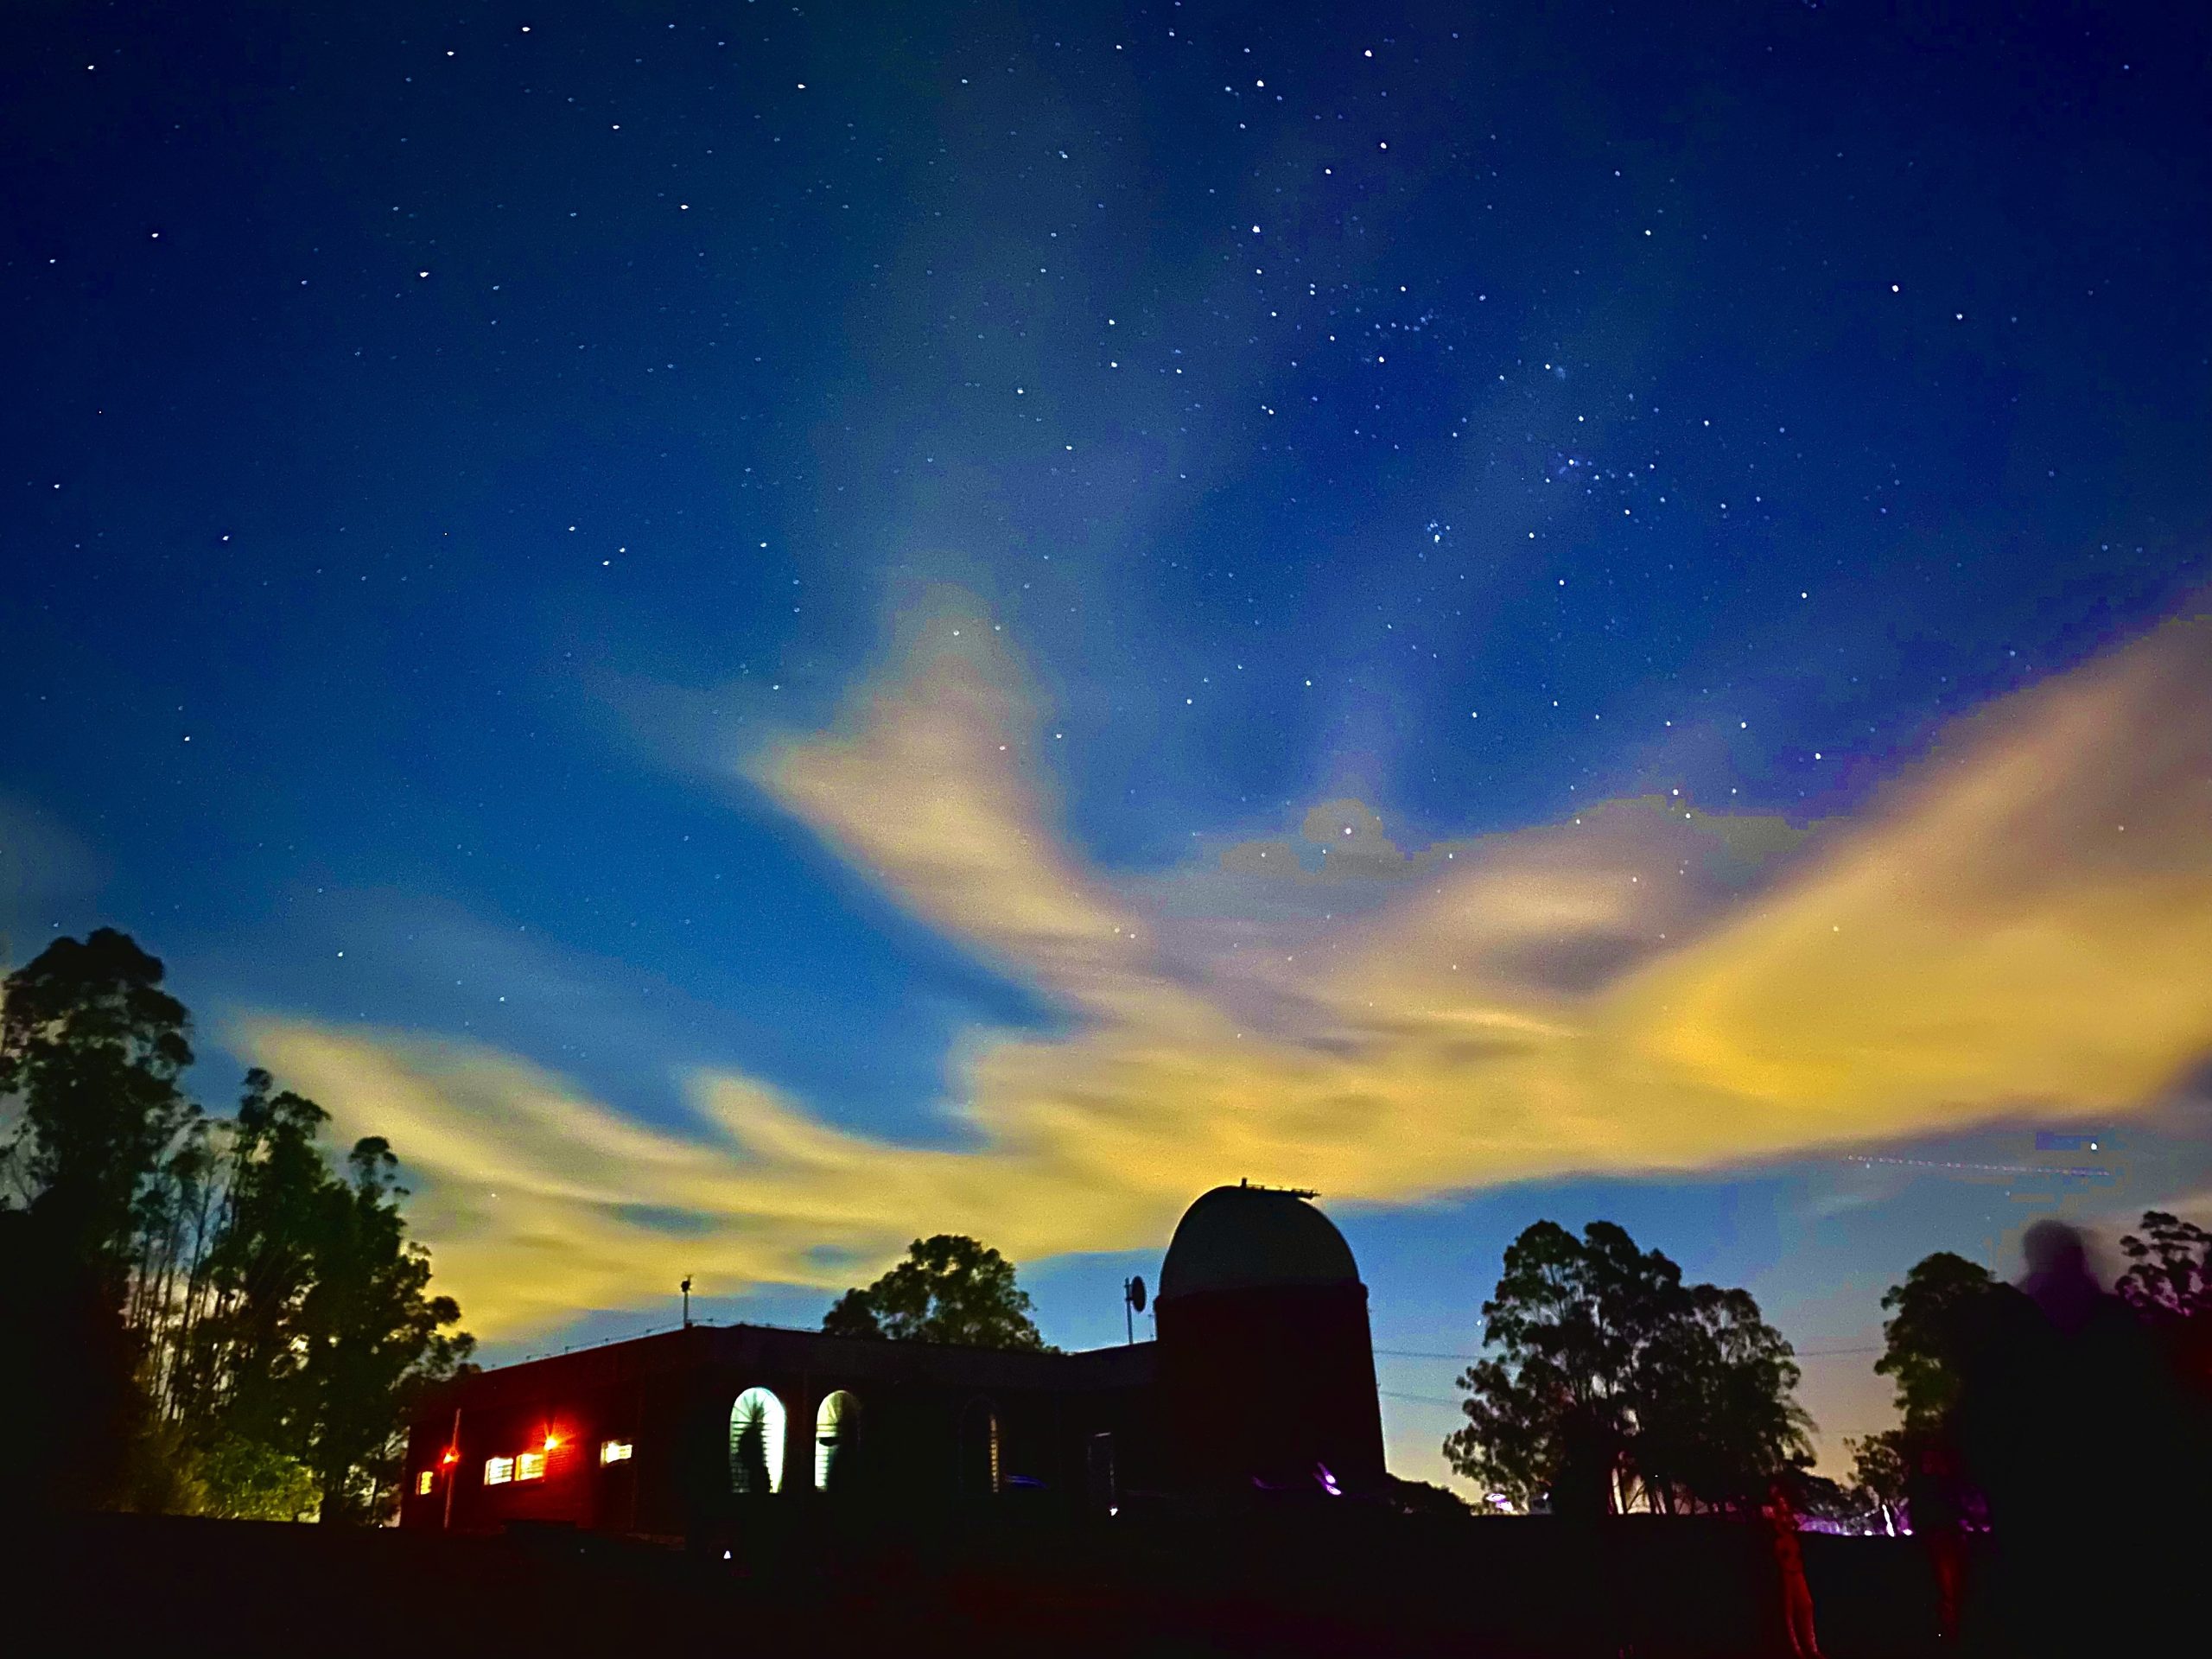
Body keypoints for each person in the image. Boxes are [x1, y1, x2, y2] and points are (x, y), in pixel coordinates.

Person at [1760, 1477, 1825, 1659]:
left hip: (1794, 1563)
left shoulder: (1786, 1509)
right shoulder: (1768, 1513)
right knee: (1788, 1611)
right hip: (1783, 1565)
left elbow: (1791, 1524)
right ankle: (1797, 1650)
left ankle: (1811, 1647)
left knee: (1806, 1606)